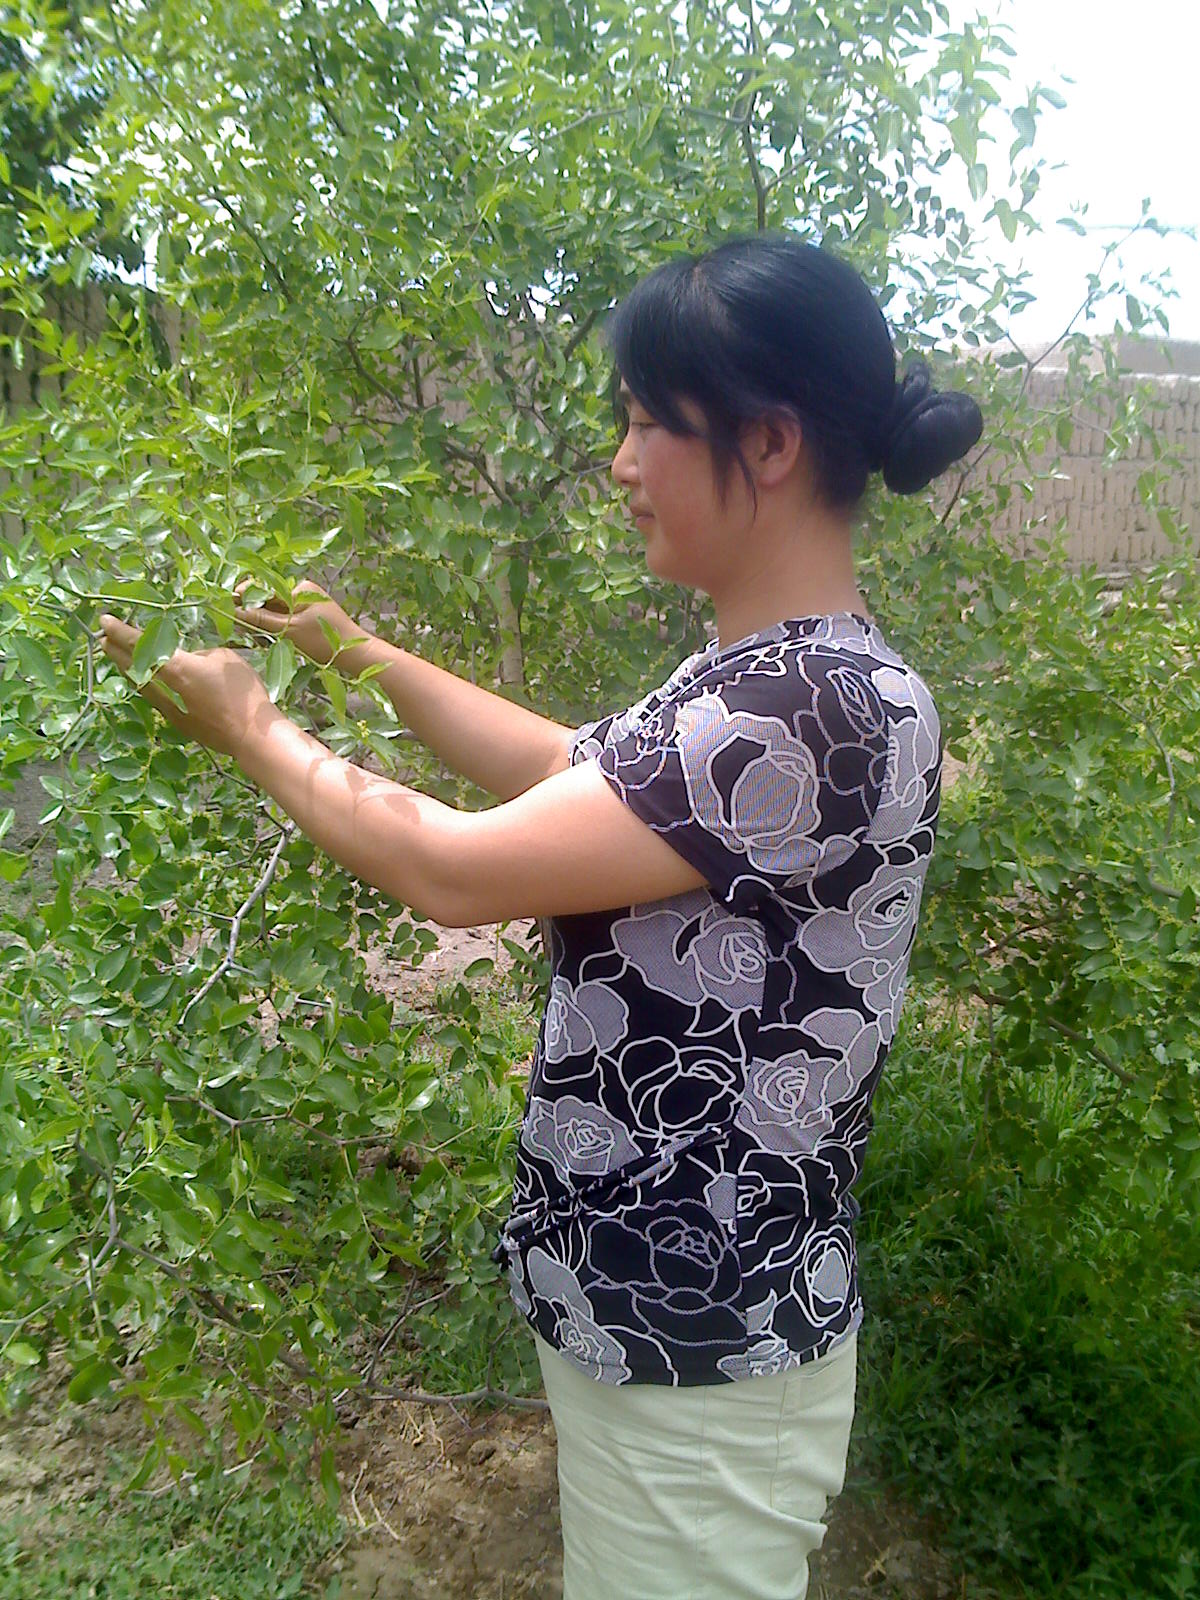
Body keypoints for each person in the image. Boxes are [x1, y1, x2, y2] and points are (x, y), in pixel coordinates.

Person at [98, 233, 982, 1600]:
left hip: (698, 1348)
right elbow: (569, 770)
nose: (620, 465)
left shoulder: (805, 708)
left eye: (644, 423)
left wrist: (257, 732)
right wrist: (362, 655)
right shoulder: (780, 679)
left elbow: (452, 871)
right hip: (675, 1324)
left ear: (767, 442)